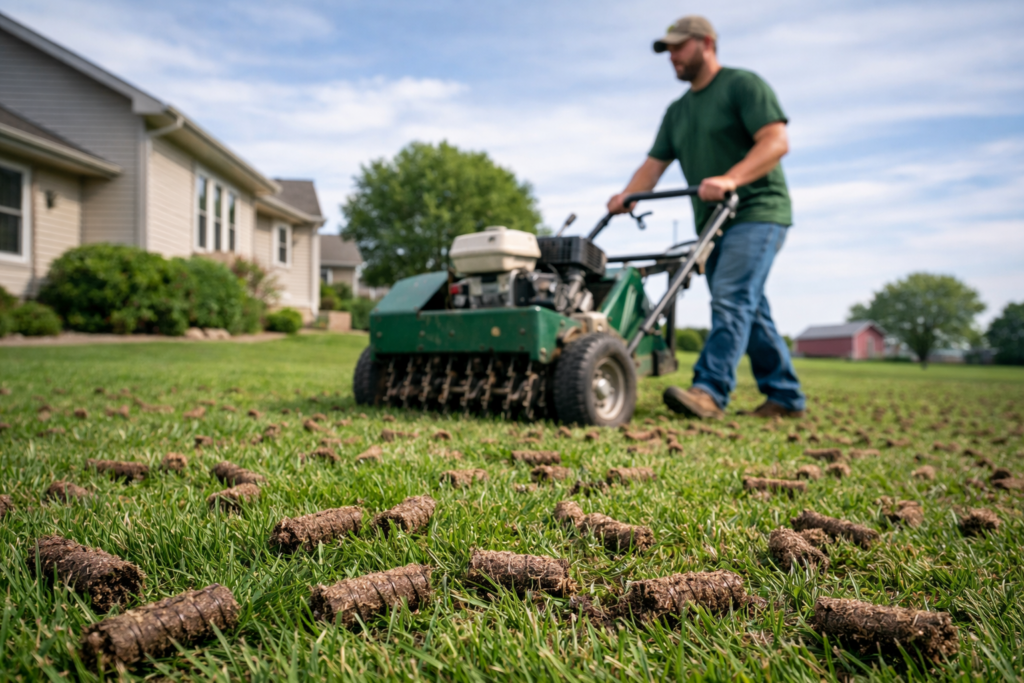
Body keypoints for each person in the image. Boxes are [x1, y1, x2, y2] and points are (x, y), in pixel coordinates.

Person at [607, 15, 805, 420]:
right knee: (749, 305)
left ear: (707, 43)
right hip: (714, 222)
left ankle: (710, 391)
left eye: (679, 47)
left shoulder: (742, 85)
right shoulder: (677, 111)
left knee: (732, 295)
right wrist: (627, 195)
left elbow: (776, 140)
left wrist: (731, 179)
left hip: (758, 211)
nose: (672, 56)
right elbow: (653, 164)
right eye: (668, 50)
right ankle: (785, 397)